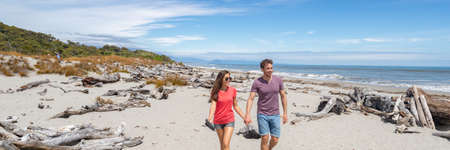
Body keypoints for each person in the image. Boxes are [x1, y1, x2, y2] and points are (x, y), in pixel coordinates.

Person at [244, 59, 288, 150]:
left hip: (275, 114)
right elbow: (251, 98)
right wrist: (247, 114)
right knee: (264, 138)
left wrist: (285, 113)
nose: (270, 70)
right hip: (262, 114)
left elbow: (283, 96)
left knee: (275, 139)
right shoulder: (257, 82)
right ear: (262, 69)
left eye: (271, 68)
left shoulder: (278, 80)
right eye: (268, 68)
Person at [208, 70, 245, 150]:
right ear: (221, 79)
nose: (228, 80)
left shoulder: (233, 90)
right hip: (218, 121)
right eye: (226, 78)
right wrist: (210, 117)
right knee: (222, 145)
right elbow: (213, 105)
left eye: (230, 78)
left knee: (225, 143)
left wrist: (244, 117)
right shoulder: (215, 92)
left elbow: (235, 106)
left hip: (229, 120)